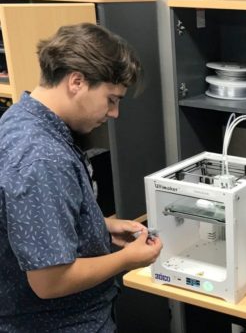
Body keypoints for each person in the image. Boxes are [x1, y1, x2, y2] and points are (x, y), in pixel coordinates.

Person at [0, 23, 163, 332]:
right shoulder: (42, 158)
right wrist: (127, 259)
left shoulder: (21, 118)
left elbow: (26, 223)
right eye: (111, 99)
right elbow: (50, 280)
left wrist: (100, 227)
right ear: (76, 81)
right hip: (61, 324)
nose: (114, 113)